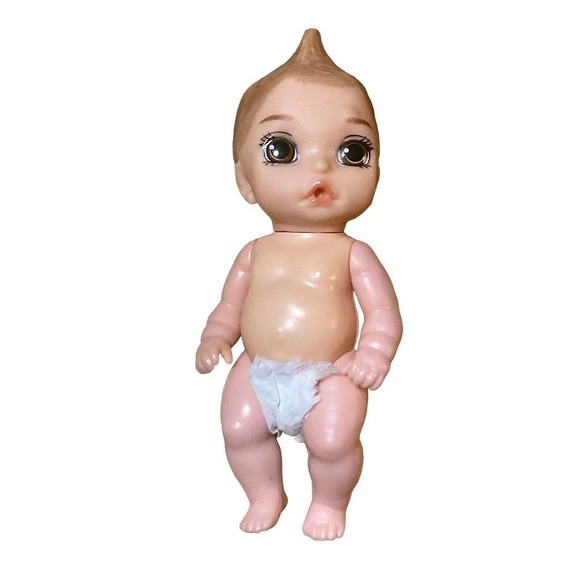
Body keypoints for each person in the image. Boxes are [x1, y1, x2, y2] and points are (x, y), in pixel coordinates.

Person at [196, 29, 403, 541]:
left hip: (333, 373)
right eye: (282, 148)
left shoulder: (352, 253)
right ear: (246, 180)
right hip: (256, 366)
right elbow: (229, 305)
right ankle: (265, 493)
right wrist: (216, 335)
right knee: (239, 431)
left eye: (351, 151)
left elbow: (383, 313)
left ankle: (330, 502)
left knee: (333, 443)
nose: (319, 167)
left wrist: (373, 353)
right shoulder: (254, 252)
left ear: (377, 172)